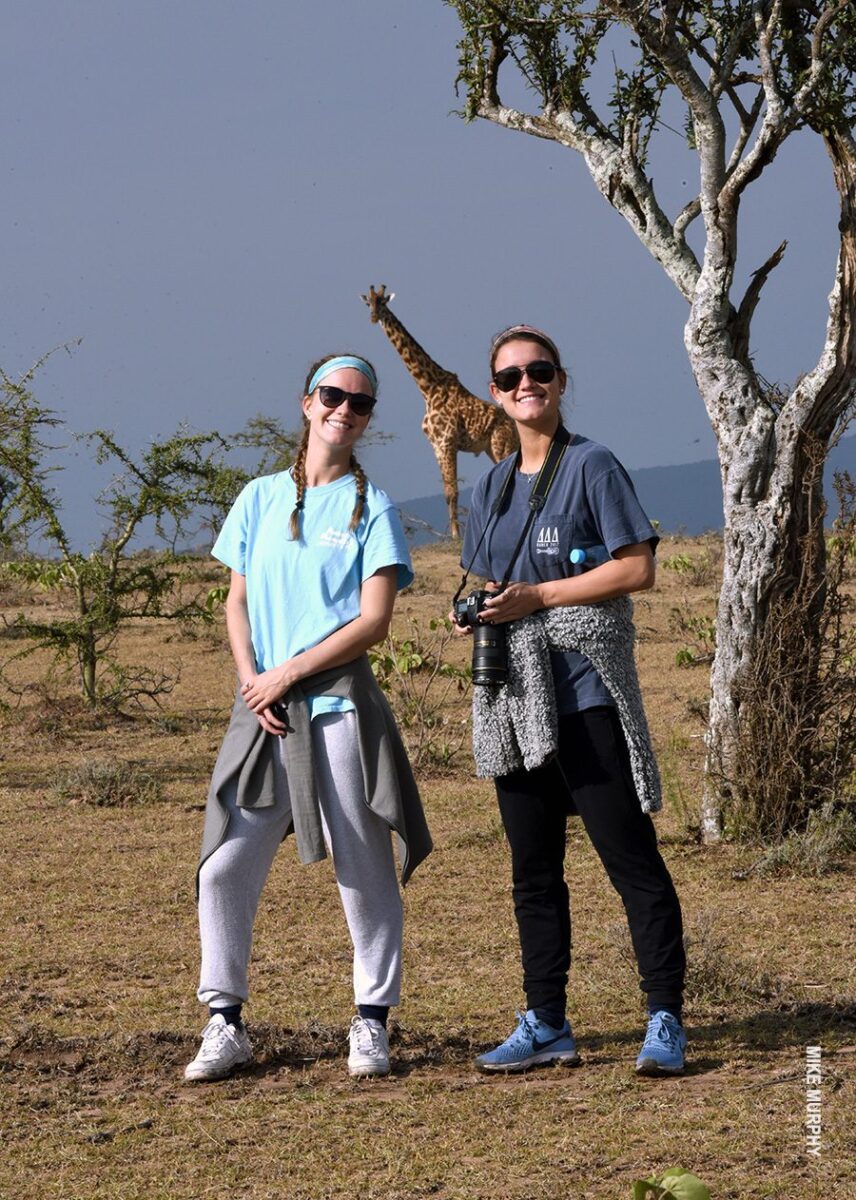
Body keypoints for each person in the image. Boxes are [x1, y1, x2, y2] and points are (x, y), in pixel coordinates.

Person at [185, 353, 432, 1082]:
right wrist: (251, 681)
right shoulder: (258, 498)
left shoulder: (371, 506)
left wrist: (289, 673)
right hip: (261, 709)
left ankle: (371, 1021)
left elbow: (375, 621)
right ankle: (224, 1022)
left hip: (337, 706)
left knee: (362, 863)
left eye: (360, 402)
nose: (344, 409)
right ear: (306, 402)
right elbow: (235, 600)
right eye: (333, 395)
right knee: (224, 865)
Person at [455, 325, 687, 1076]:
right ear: (494, 392)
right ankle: (547, 1022)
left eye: (540, 371)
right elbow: (491, 584)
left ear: (560, 381)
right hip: (515, 701)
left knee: (629, 858)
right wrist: (483, 609)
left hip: (584, 690)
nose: (527, 385)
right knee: (533, 870)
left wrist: (541, 597)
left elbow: (638, 569)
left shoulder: (593, 465)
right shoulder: (490, 485)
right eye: (511, 376)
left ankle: (665, 1019)